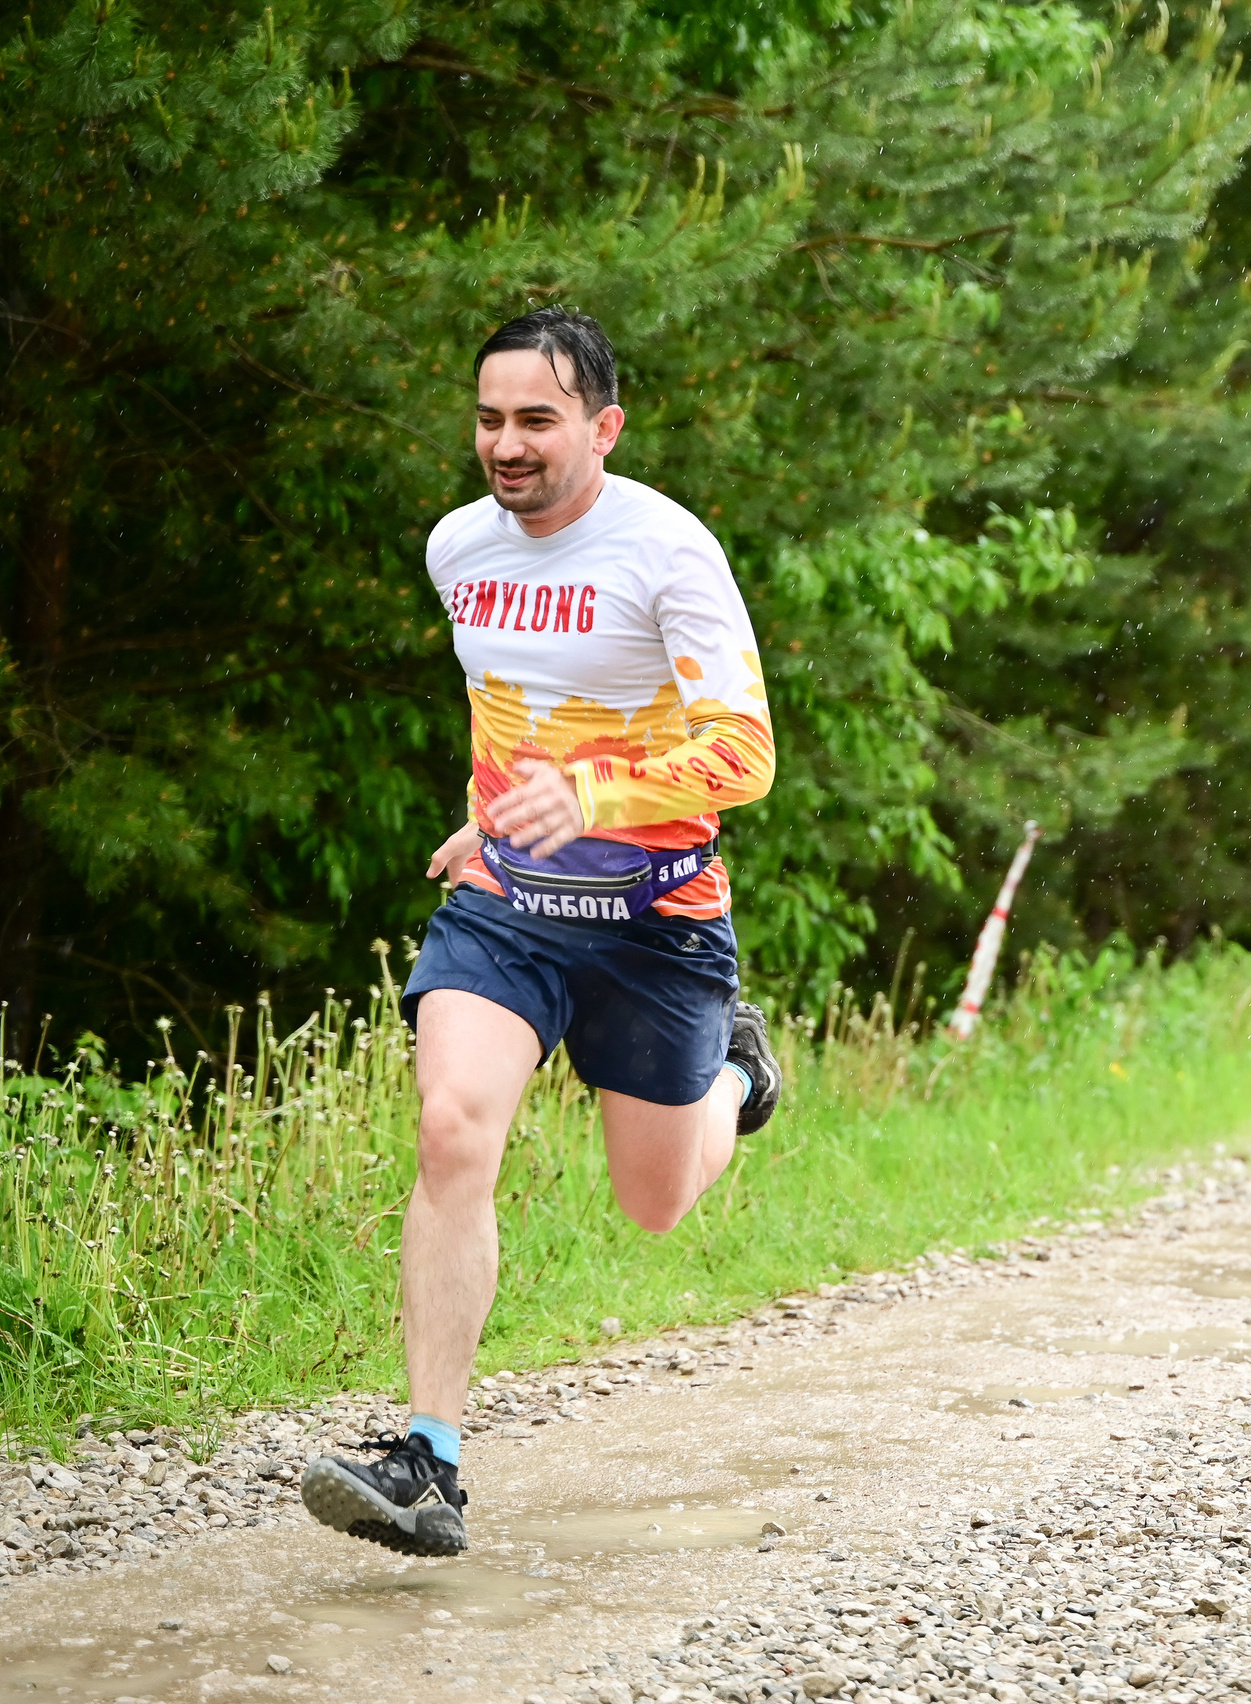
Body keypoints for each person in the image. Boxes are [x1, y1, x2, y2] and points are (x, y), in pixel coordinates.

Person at [301, 310, 782, 1557]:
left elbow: (746, 752)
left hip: (655, 921)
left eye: (536, 420)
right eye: (488, 418)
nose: (505, 446)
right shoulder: (458, 546)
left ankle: (739, 1071)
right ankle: (429, 1460)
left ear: (603, 427)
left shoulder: (669, 551)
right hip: (509, 907)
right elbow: (504, 710)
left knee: (658, 1201)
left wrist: (592, 797)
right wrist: (493, 819)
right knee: (452, 1125)